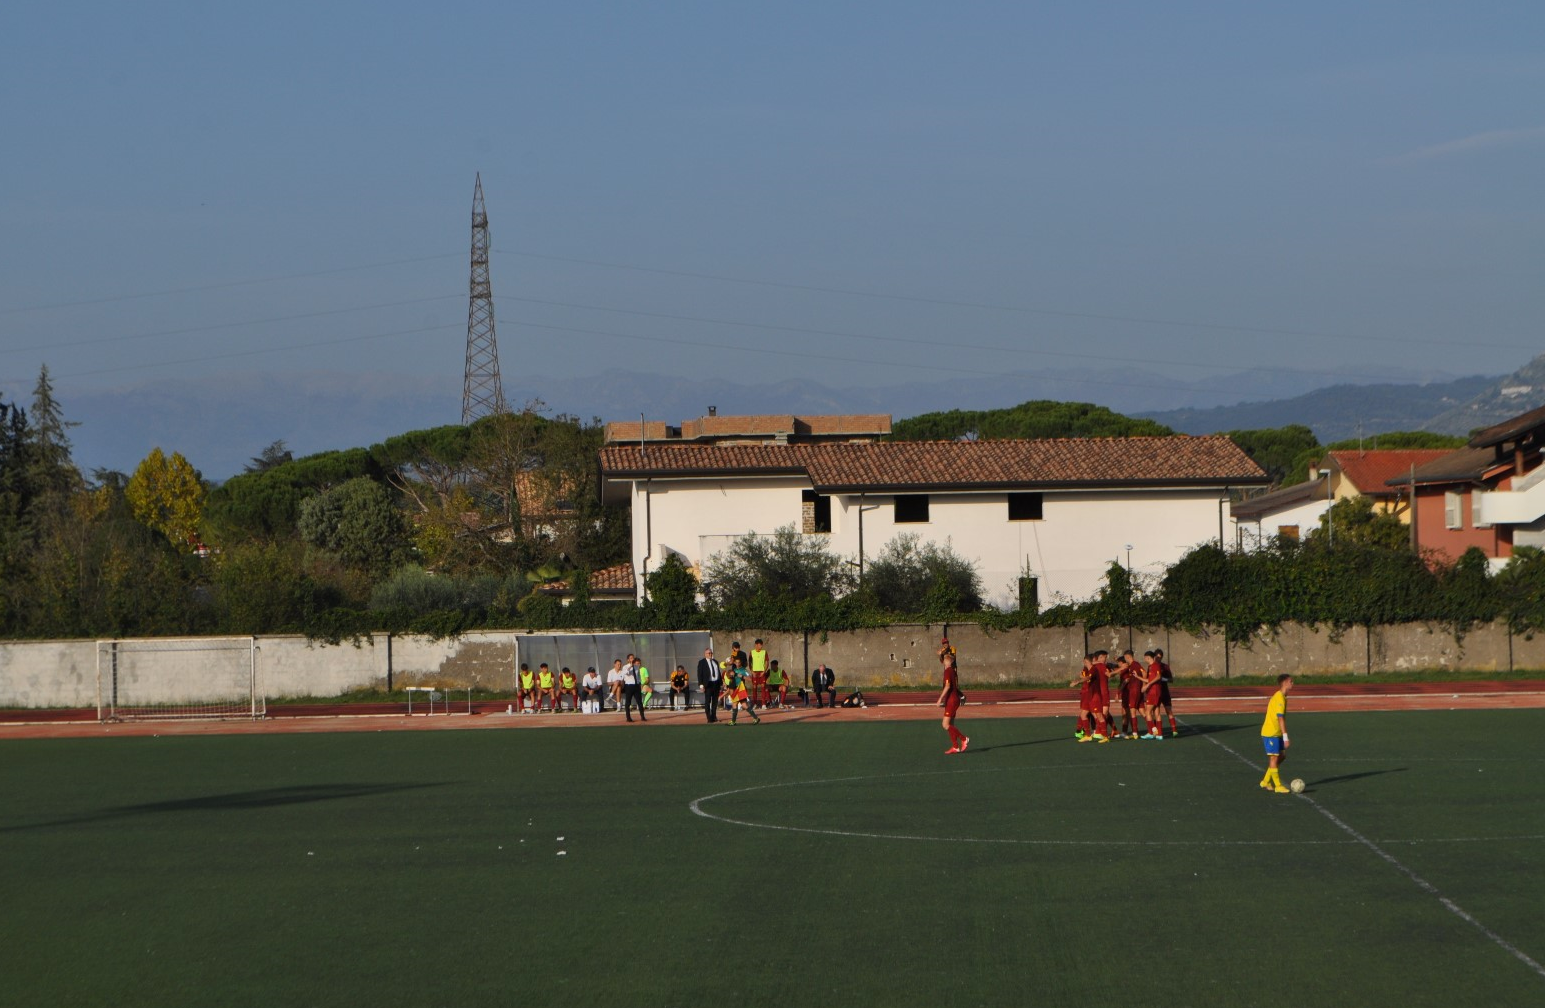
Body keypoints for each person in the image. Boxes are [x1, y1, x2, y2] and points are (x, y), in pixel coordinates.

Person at [1259, 674, 1293, 793]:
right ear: (1284, 683)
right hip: (1270, 733)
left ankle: (1266, 780)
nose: (1292, 684)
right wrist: (1285, 737)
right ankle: (1278, 786)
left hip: (1276, 733)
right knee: (1274, 757)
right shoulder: (1279, 698)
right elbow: (1280, 719)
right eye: (1290, 681)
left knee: (1281, 756)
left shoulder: (1283, 697)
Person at [937, 651, 968, 754]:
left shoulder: (947, 671)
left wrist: (940, 698)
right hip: (954, 699)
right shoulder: (953, 671)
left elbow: (948, 686)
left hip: (951, 700)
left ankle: (964, 739)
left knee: (945, 725)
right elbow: (955, 687)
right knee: (951, 725)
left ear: (947, 661)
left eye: (944, 659)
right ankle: (955, 746)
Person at [1140, 651, 1164, 740]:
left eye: (1144, 657)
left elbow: (1158, 677)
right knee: (1156, 713)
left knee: (1147, 712)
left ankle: (1152, 732)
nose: (1144, 659)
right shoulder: (1150, 667)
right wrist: (1139, 678)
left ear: (1148, 657)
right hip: (1155, 691)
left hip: (1154, 692)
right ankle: (1159, 734)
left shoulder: (1155, 665)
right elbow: (1149, 679)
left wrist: (1148, 685)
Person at [1155, 648, 1179, 737]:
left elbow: (1171, 679)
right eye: (1157, 657)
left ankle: (1174, 730)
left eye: (1160, 658)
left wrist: (1163, 679)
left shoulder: (1165, 666)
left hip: (1164, 692)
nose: (1158, 659)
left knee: (1169, 710)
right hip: (1156, 692)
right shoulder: (1152, 666)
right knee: (1156, 712)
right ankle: (1157, 731)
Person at [696, 648, 723, 723]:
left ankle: (714, 716)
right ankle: (709, 718)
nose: (710, 654)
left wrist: (720, 683)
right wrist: (701, 685)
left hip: (716, 683)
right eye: (709, 653)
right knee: (707, 701)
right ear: (705, 654)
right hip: (708, 684)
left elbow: (718, 673)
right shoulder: (702, 662)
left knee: (715, 702)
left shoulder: (715, 662)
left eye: (711, 653)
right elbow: (699, 674)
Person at [620, 656, 646, 722]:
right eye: (631, 658)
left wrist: (639, 683)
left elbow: (638, 676)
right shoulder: (625, 667)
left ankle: (642, 716)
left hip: (636, 685)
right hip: (629, 686)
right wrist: (630, 666)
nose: (632, 659)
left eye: (633, 658)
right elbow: (625, 673)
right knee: (628, 702)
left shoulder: (636, 666)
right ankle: (628, 717)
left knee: (639, 702)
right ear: (628, 660)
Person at [749, 638, 770, 708]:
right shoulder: (752, 652)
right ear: (756, 645)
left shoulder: (764, 652)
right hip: (754, 672)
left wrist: (764, 671)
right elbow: (750, 663)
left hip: (762, 672)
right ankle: (755, 704)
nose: (761, 646)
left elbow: (767, 662)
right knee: (754, 688)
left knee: (763, 687)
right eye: (760, 645)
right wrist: (752, 671)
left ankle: (763, 704)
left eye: (761, 645)